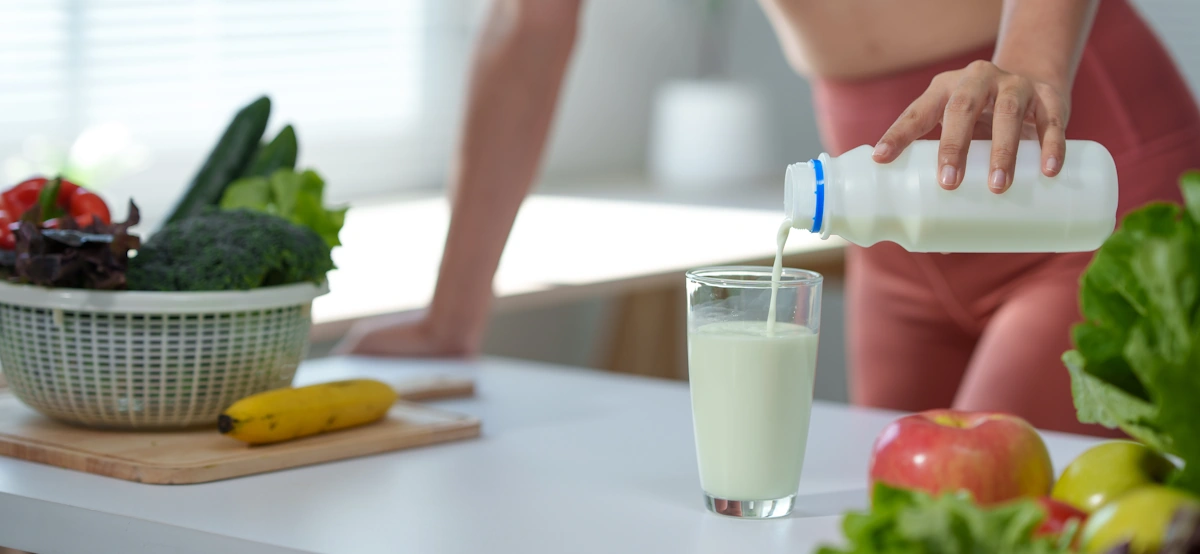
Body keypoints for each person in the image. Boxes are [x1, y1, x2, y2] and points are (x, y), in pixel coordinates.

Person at [335, 0, 1200, 436]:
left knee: (996, 516)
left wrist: (1028, 64)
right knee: (898, 520)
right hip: (894, 220)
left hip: (1068, 169)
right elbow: (530, 24)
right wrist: (453, 318)